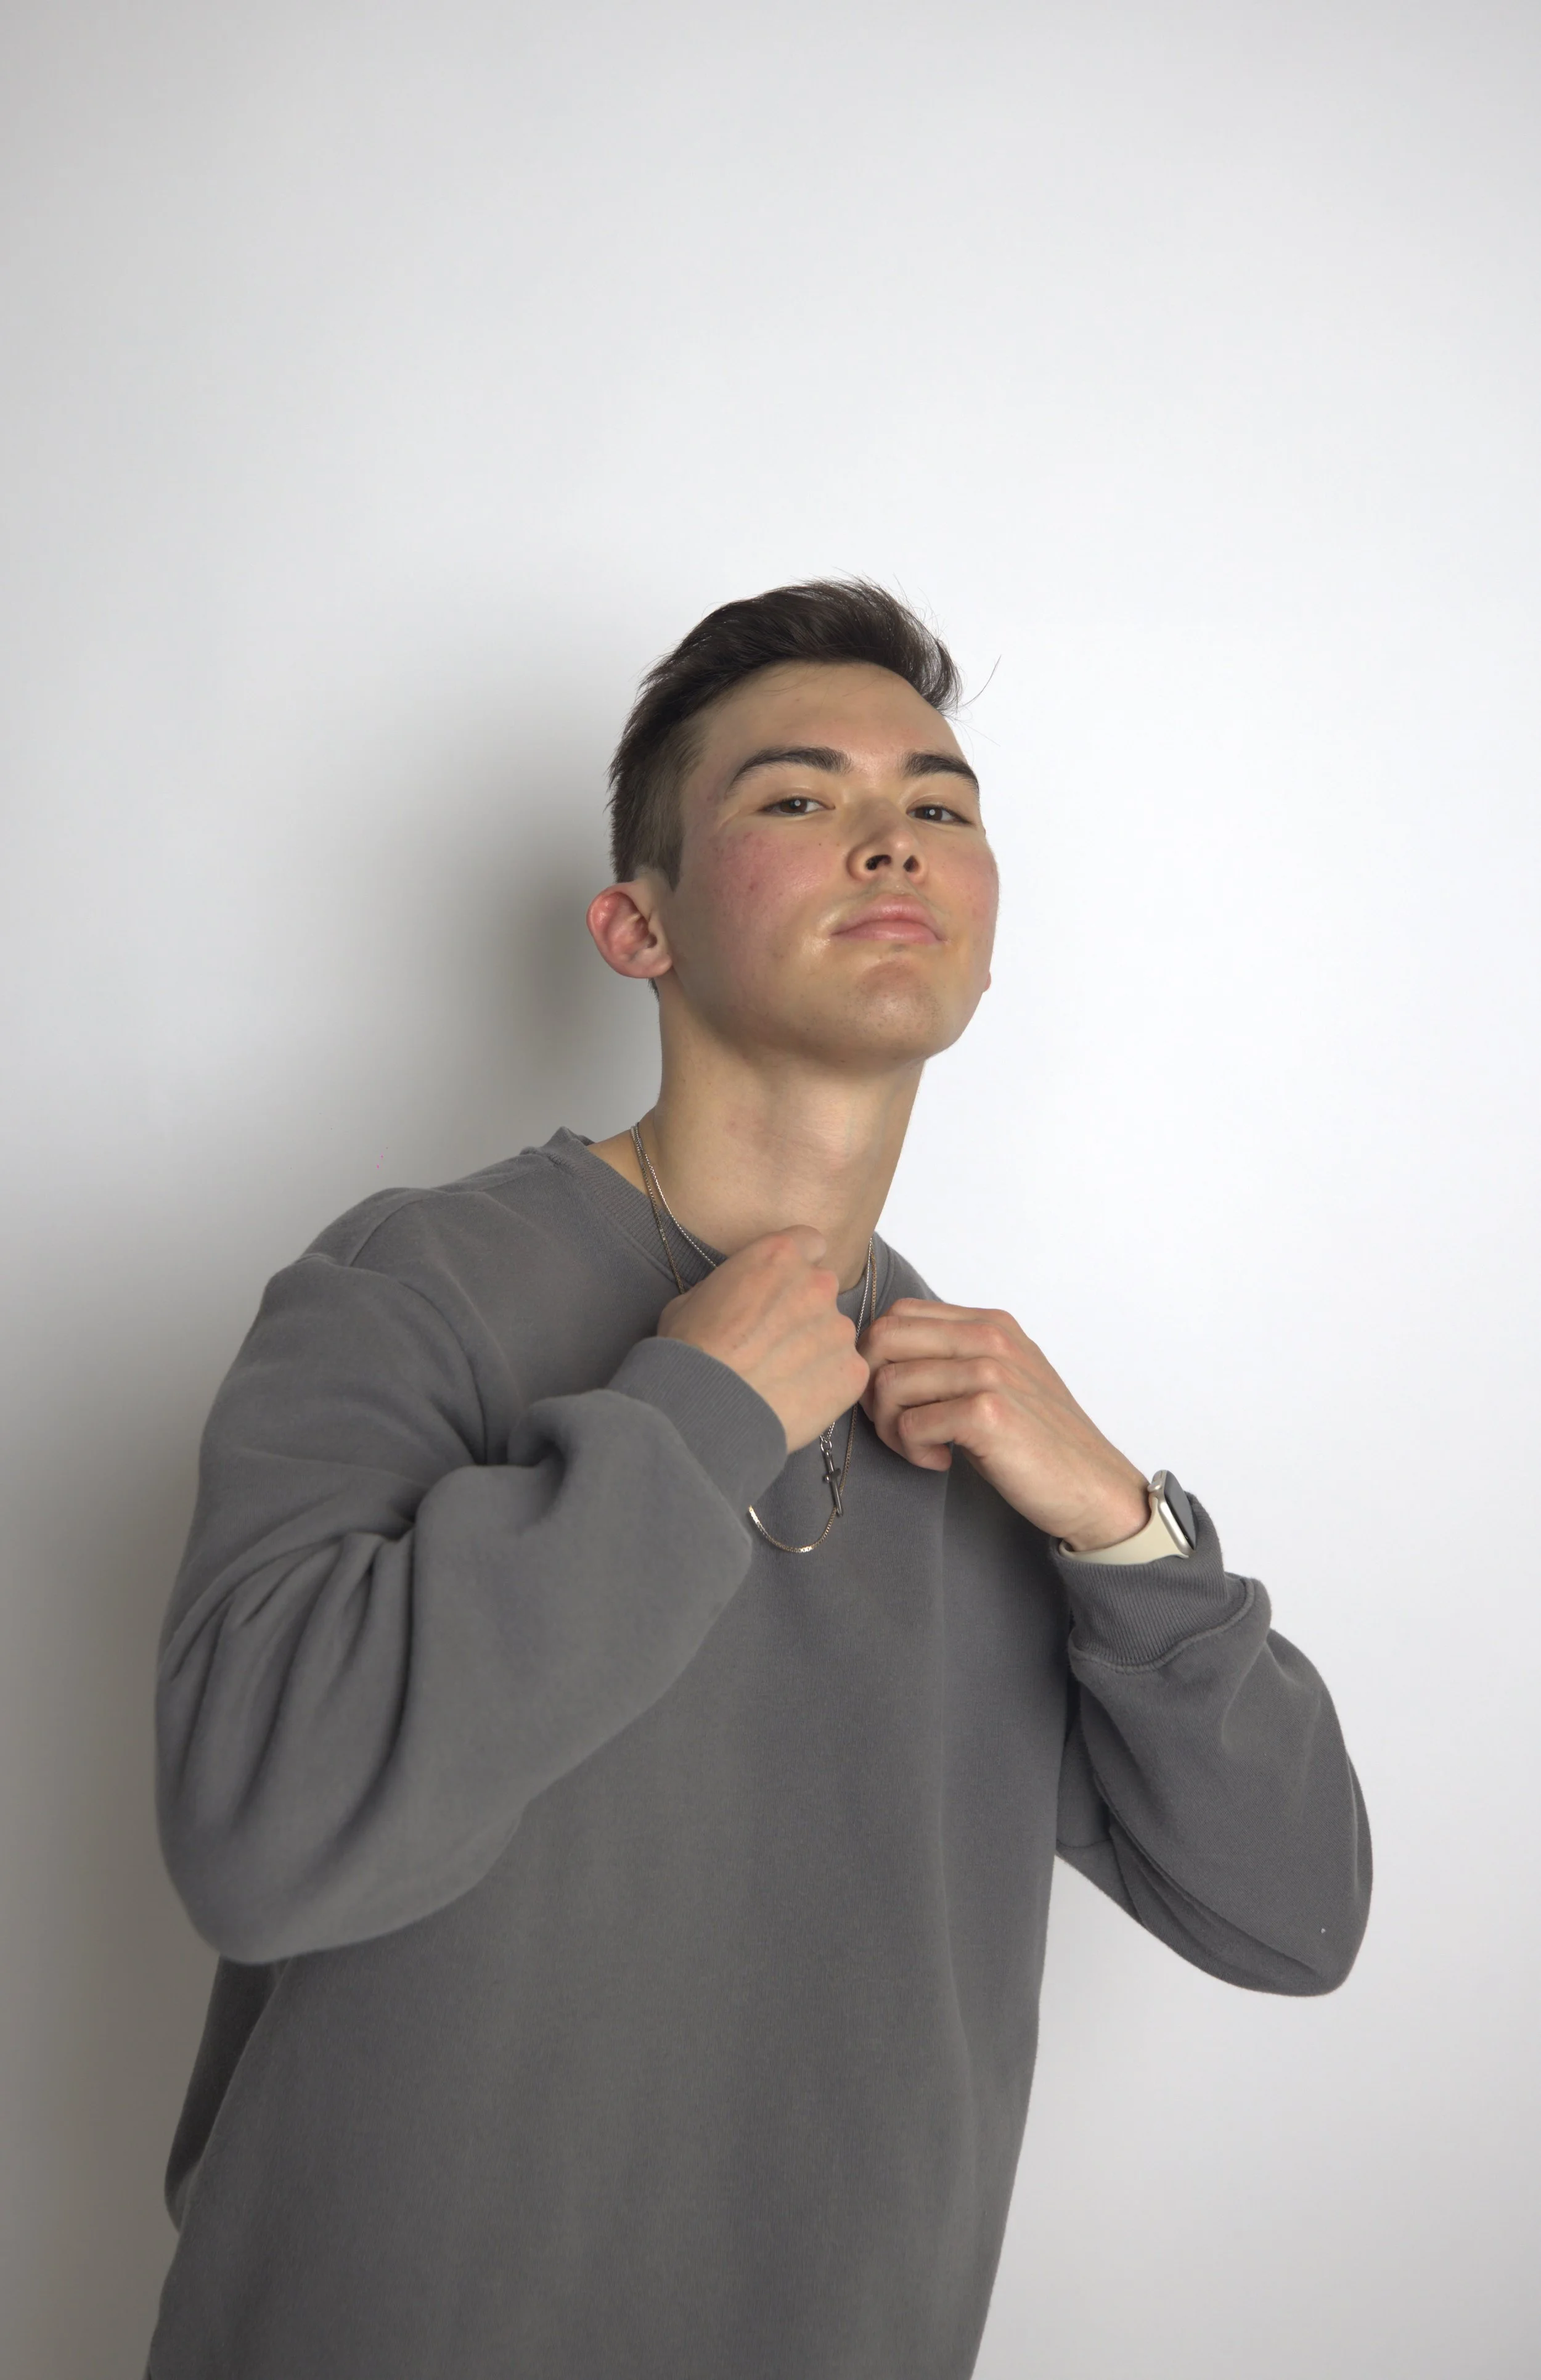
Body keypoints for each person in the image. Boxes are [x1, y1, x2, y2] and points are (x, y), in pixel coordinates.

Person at [146, 580, 1371, 2380]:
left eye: (940, 804)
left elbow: (1293, 1914)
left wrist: (1126, 1532)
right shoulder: (414, 1287)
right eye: (798, 796)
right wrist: (692, 1416)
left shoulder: (984, 1426)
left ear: (984, 928)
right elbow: (262, 1834)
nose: (893, 836)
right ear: (634, 925)